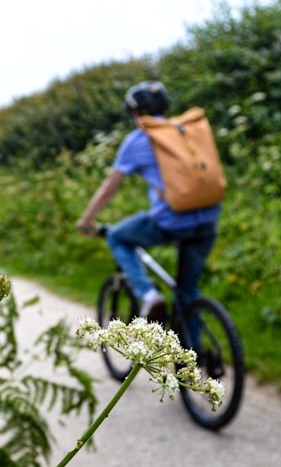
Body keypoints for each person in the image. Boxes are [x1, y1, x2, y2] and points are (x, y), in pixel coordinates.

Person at [75, 80, 221, 320]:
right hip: (209, 219)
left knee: (117, 236)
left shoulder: (138, 139)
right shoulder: (184, 130)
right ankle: (193, 355)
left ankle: (148, 294)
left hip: (171, 221)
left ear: (135, 112)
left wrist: (87, 218)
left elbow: (108, 188)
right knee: (187, 292)